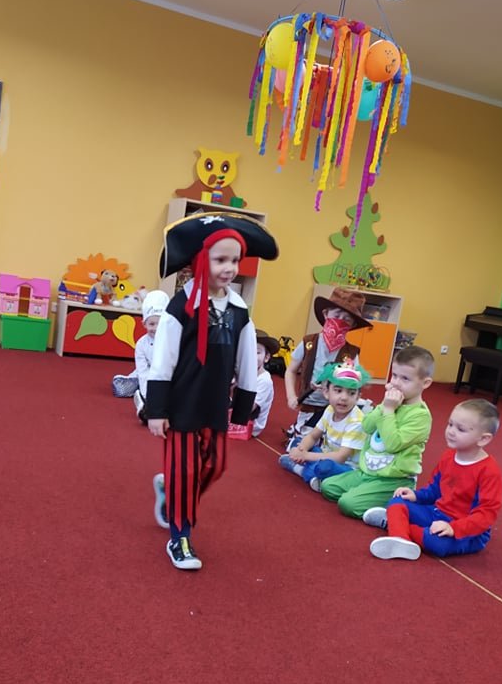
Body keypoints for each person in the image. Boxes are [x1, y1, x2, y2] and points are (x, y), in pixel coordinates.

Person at [147, 212, 279, 571]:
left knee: (216, 466)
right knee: (185, 470)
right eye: (221, 260)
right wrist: (157, 409)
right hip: (181, 404)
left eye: (235, 260)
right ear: (201, 260)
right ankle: (180, 536)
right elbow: (163, 359)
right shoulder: (181, 306)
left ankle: (172, 493)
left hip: (216, 403)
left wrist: (243, 407)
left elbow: (247, 360)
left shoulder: (238, 309)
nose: (230, 268)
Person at [364, 398, 502, 560]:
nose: (451, 431)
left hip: (467, 531)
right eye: (450, 424)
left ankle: (396, 525)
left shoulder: (489, 471)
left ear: (483, 439)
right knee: (397, 501)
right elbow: (435, 489)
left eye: (461, 429)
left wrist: (454, 528)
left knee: (437, 543)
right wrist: (416, 496)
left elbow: (486, 514)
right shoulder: (448, 456)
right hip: (436, 513)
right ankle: (400, 537)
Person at [320, 345, 434, 518]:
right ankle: (368, 493)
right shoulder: (390, 402)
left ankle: (395, 504)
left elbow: (393, 444)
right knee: (328, 487)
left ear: (425, 383)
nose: (396, 383)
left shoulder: (420, 416)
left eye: (405, 378)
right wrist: (384, 406)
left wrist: (388, 410)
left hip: (393, 479)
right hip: (367, 472)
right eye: (394, 375)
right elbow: (367, 426)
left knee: (347, 503)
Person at [283, 287, 372, 438]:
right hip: (308, 405)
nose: (340, 321)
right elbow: (291, 371)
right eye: (336, 315)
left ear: (352, 325)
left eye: (346, 319)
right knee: (305, 438)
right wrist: (291, 396)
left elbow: (354, 383)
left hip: (335, 409)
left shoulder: (351, 353)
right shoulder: (309, 343)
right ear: (326, 314)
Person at [278, 359, 369, 491]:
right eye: (338, 390)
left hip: (346, 466)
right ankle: (311, 472)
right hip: (326, 454)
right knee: (298, 442)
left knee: (325, 467)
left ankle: (300, 469)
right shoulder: (330, 410)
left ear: (358, 397)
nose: (344, 397)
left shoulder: (356, 421)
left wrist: (305, 456)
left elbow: (341, 457)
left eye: (351, 393)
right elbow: (313, 436)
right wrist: (301, 450)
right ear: (326, 392)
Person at [112, 290, 169, 423]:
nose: (156, 328)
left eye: (160, 324)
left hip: (167, 375)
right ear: (144, 324)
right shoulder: (141, 344)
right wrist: (147, 395)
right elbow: (143, 371)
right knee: (122, 389)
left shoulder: (172, 340)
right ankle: (142, 400)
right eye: (152, 324)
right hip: (147, 374)